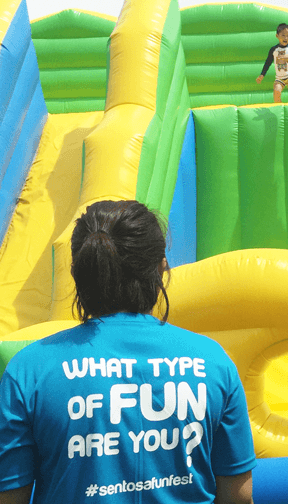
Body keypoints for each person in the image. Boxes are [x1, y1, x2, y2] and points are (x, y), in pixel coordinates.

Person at [0, 200, 256, 504]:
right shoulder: (213, 362)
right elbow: (238, 497)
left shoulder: (30, 371)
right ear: (161, 268)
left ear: (77, 272)